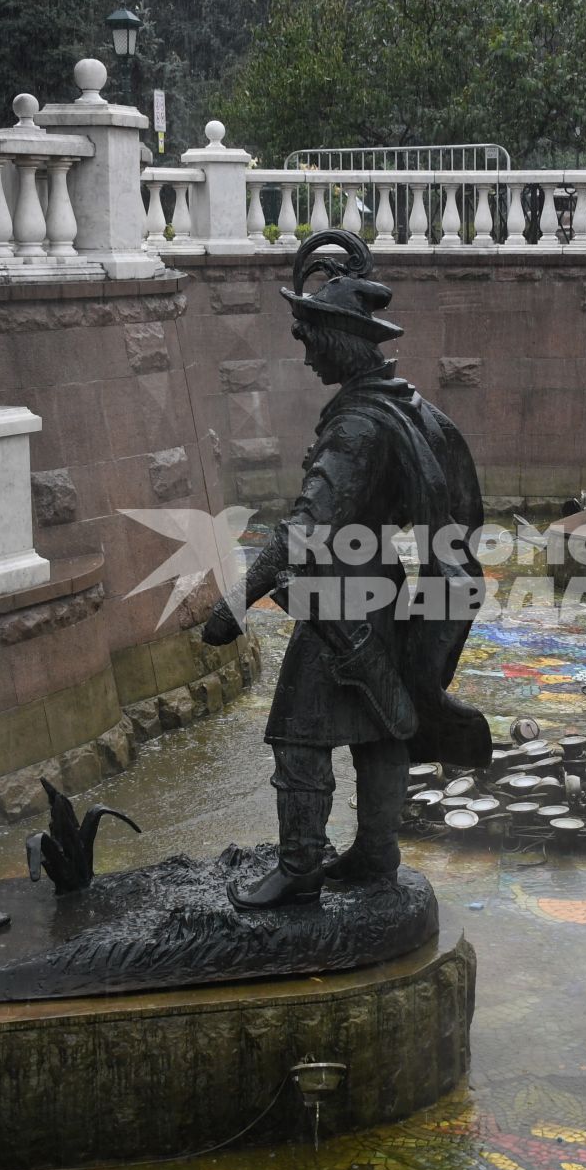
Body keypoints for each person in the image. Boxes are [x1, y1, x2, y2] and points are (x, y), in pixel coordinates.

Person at [201, 231, 489, 910]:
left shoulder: (359, 426)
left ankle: (301, 863)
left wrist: (235, 602)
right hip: (383, 590)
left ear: (340, 337)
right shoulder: (405, 402)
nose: (303, 353)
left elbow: (304, 529)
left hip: (338, 605)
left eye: (309, 337)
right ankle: (376, 856)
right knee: (381, 726)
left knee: (299, 738)